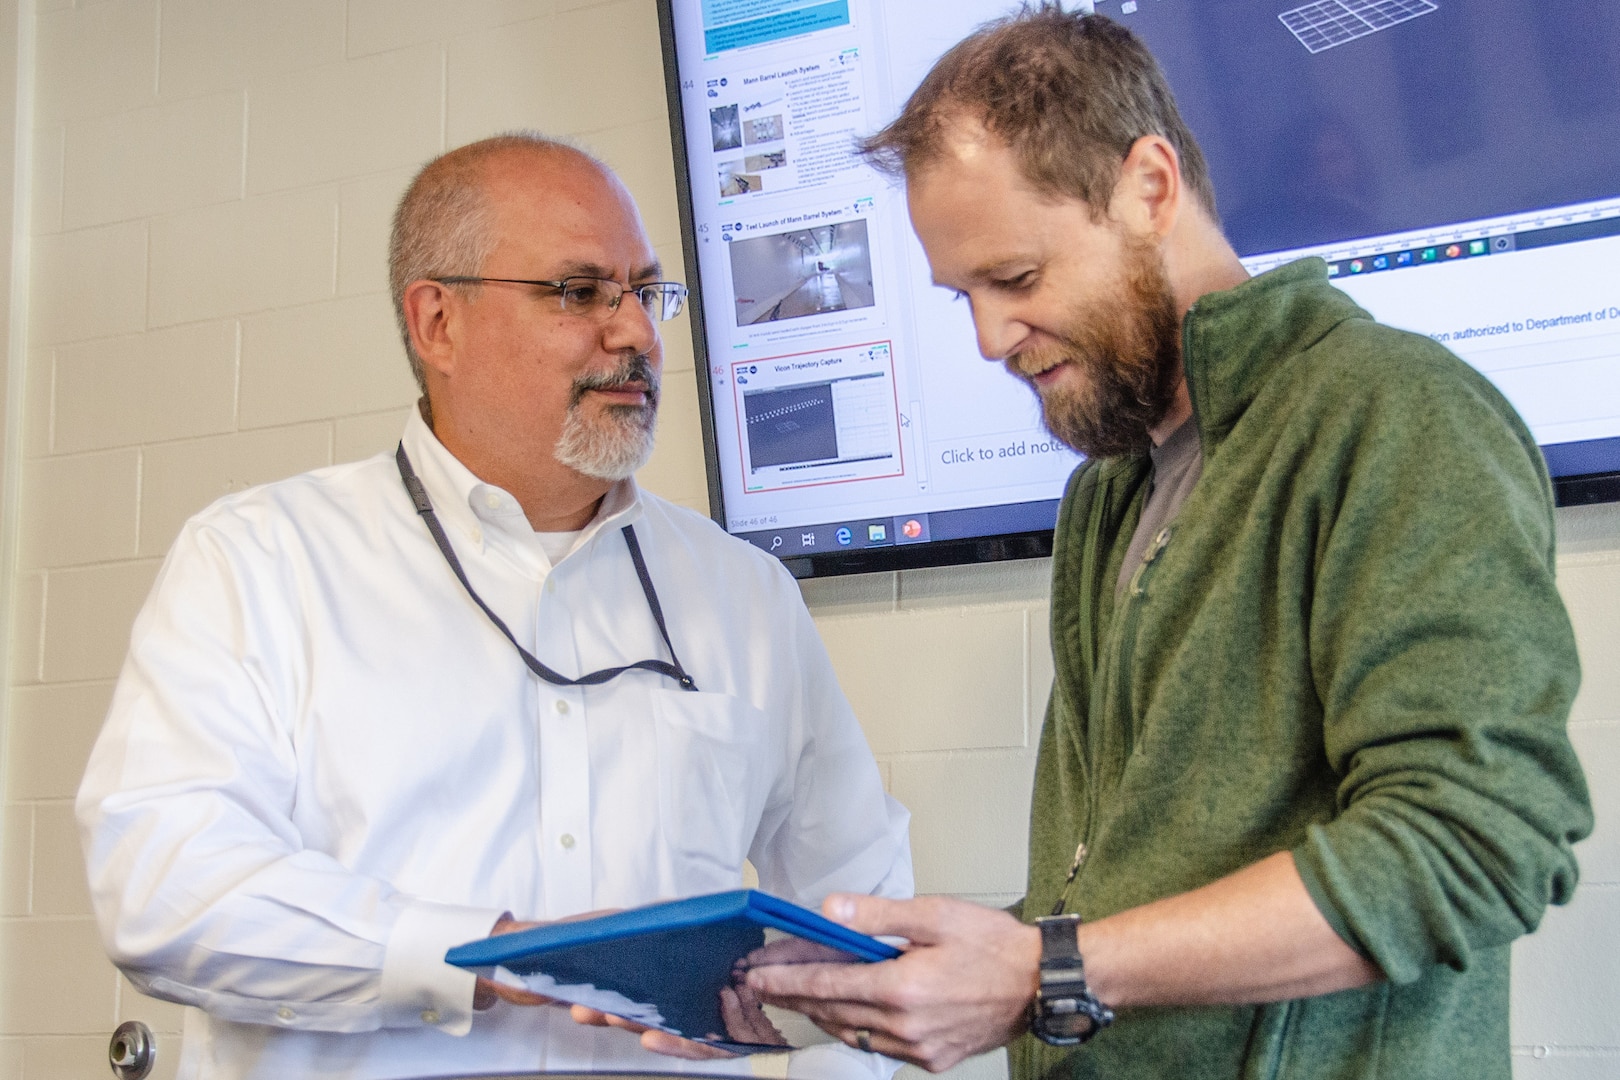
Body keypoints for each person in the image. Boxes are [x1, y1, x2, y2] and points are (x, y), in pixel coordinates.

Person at [741, 9, 1593, 1079]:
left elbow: (1479, 843)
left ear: (1148, 186)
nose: (990, 338)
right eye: (965, 297)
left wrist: (1046, 967)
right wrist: (861, 984)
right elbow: (1122, 904)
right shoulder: (1110, 490)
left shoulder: (1395, 417)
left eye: (1016, 279)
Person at [76, 133, 912, 1080]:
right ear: (438, 323)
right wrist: (489, 953)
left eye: (646, 291)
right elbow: (167, 893)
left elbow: (860, 913)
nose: (636, 332)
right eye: (579, 291)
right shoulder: (259, 563)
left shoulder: (745, 595)